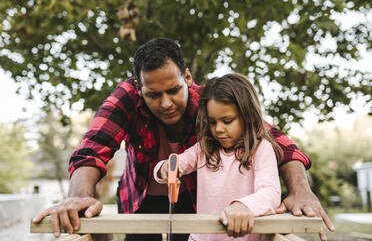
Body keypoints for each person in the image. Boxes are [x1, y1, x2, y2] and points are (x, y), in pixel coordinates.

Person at [32, 38, 334, 241]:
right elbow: (92, 148)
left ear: (187, 78)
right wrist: (79, 194)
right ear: (139, 86)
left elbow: (276, 140)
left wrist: (300, 188)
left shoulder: (212, 105)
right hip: (141, 199)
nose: (165, 103)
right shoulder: (125, 98)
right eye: (153, 94)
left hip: (192, 201)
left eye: (173, 90)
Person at [154, 73, 282, 241]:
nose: (219, 129)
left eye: (227, 121)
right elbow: (176, 162)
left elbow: (270, 192)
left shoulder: (261, 149)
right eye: (213, 122)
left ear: (248, 116)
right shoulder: (203, 149)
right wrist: (166, 169)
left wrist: (243, 206)